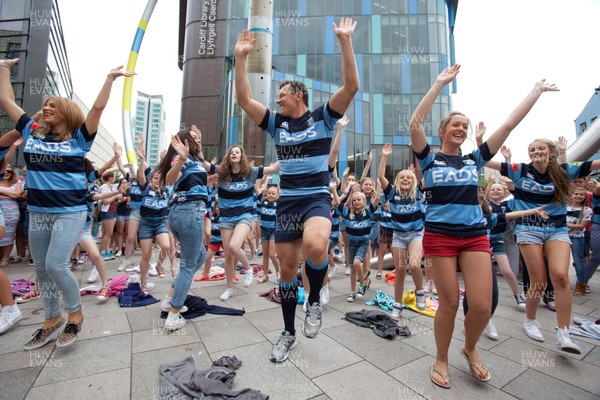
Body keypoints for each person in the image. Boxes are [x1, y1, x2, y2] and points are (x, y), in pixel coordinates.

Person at [409, 64, 558, 388]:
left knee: (480, 304)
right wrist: (437, 84)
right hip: (440, 238)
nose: (461, 129)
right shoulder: (429, 160)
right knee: (448, 302)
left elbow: (508, 124)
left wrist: (535, 92)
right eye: (455, 125)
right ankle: (441, 357)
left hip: (475, 237)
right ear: (443, 132)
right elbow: (415, 123)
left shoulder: (472, 160)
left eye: (465, 125)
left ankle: (470, 347)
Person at [234, 17, 359, 362]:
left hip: (316, 198)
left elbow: (350, 87)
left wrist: (344, 41)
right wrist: (241, 57)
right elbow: (244, 100)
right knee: (287, 270)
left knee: (316, 245)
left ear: (298, 95)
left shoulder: (323, 117)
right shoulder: (277, 123)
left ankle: (314, 301)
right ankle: (288, 333)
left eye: (282, 94)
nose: (278, 99)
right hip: (287, 202)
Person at [0, 58, 133, 349]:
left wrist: (110, 79)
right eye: (45, 104)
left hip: (70, 212)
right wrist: (4, 69)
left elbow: (97, 109)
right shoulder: (30, 132)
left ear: (66, 114)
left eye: (52, 105)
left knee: (56, 264)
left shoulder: (80, 140)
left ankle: (75, 315)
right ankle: (51, 319)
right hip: (38, 212)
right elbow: (5, 99)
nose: (46, 108)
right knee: (43, 269)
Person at [488, 138, 599, 354]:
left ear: (551, 153)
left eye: (541, 148)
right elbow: (487, 161)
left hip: (557, 229)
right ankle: (530, 320)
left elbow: (594, 164)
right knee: (538, 279)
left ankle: (564, 333)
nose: (536, 151)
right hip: (528, 229)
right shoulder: (520, 170)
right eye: (532, 149)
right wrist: (482, 143)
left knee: (560, 275)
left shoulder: (564, 171)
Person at [155, 125, 215, 331]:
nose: (198, 141)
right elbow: (170, 179)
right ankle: (173, 314)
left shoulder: (194, 161)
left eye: (199, 138)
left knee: (198, 257)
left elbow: (193, 178)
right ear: (183, 142)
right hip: (189, 213)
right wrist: (181, 158)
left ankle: (170, 298)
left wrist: (208, 181)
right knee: (189, 265)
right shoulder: (181, 159)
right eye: (194, 138)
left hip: (187, 212)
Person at [216, 145, 278, 301]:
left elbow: (273, 168)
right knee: (228, 256)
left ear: (241, 155)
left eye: (237, 151)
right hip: (226, 217)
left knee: (234, 246)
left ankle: (248, 269)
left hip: (245, 215)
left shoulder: (251, 173)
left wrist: (287, 150)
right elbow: (203, 164)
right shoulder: (221, 173)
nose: (234, 153)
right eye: (231, 152)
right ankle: (229, 288)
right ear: (228, 157)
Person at [378, 144, 425, 320]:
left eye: (409, 177)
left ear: (413, 181)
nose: (405, 179)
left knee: (414, 265)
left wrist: (420, 153)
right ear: (398, 181)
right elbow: (381, 176)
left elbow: (427, 171)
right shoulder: (392, 194)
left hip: (415, 234)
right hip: (398, 236)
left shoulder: (418, 192)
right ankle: (397, 305)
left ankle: (420, 291)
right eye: (402, 177)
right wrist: (384, 157)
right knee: (400, 271)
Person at [567, 185, 592, 295]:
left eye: (581, 194)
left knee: (578, 261)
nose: (578, 196)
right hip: (562, 236)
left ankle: (581, 286)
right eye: (576, 194)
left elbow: (582, 226)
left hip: (577, 237)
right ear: (571, 195)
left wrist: (565, 225)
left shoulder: (587, 210)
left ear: (585, 196)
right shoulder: (564, 207)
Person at [0, 163, 22, 267]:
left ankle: (5, 257)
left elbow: (18, 194)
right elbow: (14, 194)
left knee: (9, 234)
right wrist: (10, 194)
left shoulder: (15, 182)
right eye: (5, 170)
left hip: (11, 212)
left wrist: (1, 192)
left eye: (9, 171)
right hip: (2, 209)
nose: (6, 173)